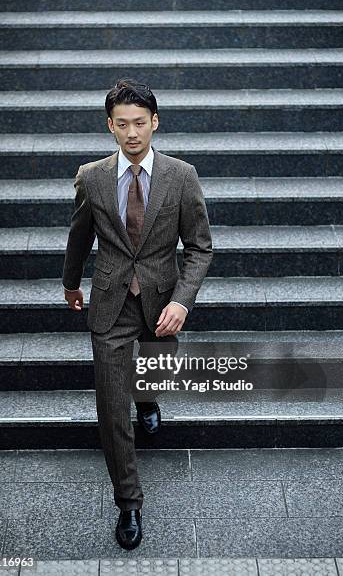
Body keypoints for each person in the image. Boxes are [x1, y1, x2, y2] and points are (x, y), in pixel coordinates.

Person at [62, 78, 213, 550]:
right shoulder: (91, 176)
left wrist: (181, 301)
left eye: (140, 123)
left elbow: (200, 247)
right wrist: (70, 282)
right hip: (109, 303)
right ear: (110, 126)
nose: (132, 133)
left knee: (153, 375)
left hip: (161, 300)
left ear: (155, 123)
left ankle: (147, 400)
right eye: (122, 124)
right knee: (111, 408)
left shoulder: (181, 176)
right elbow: (80, 233)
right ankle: (128, 503)